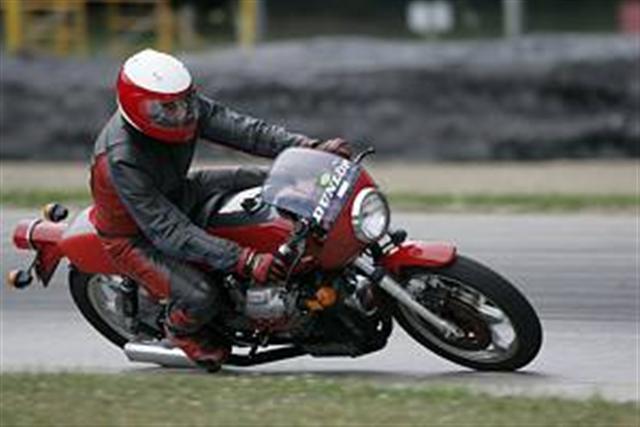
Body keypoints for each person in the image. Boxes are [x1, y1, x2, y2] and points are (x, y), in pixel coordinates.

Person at [90, 49, 351, 370]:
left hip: (181, 192)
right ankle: (178, 331)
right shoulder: (121, 158)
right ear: (135, 104)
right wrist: (246, 259)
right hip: (135, 235)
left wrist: (309, 148)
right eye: (166, 108)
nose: (181, 114)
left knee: (278, 178)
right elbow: (167, 230)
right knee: (202, 296)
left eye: (184, 101)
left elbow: (246, 130)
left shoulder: (185, 109)